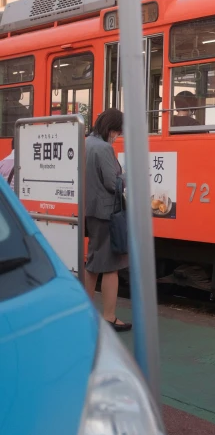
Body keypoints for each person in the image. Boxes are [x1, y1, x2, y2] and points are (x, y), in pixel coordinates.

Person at [83, 108, 131, 332]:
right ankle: (109, 317)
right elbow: (113, 184)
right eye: (118, 131)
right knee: (111, 267)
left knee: (92, 264)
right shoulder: (104, 148)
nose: (118, 136)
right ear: (111, 128)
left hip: (90, 210)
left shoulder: (85, 143)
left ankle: (85, 312)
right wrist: (129, 176)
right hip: (106, 213)